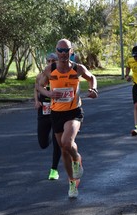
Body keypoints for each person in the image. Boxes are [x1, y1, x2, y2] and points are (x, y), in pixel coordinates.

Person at [37, 39, 98, 198]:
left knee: (66, 142)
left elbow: (91, 77)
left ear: (71, 52)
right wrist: (49, 93)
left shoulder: (78, 69)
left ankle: (77, 159)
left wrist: (93, 88)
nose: (63, 54)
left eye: (66, 51)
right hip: (56, 113)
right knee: (64, 150)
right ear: (56, 52)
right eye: (60, 50)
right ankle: (72, 182)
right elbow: (39, 86)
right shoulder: (50, 69)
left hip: (74, 111)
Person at [34, 53, 61, 180]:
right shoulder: (42, 75)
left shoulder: (60, 75)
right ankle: (51, 135)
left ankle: (54, 169)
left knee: (58, 143)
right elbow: (36, 88)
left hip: (58, 112)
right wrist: (36, 101)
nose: (50, 63)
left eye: (53, 60)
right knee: (43, 143)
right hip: (44, 111)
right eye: (48, 60)